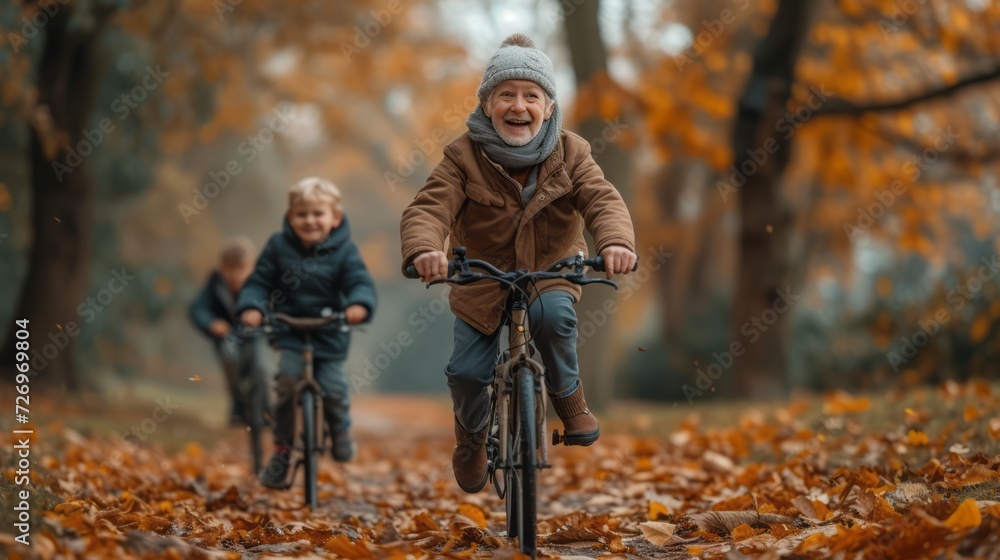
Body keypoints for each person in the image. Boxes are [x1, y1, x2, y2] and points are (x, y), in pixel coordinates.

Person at [399, 34, 637, 493]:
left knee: (553, 317)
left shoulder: (573, 152)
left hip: (551, 270)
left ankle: (568, 400)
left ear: (548, 108)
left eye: (532, 95)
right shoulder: (461, 155)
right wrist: (425, 250)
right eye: (505, 94)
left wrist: (615, 243)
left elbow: (603, 201)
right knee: (468, 373)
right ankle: (470, 439)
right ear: (488, 104)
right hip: (481, 278)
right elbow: (429, 208)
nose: (518, 105)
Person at [237, 177, 377, 488]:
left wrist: (358, 305)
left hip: (330, 330)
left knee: (334, 387)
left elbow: (359, 282)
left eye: (318, 214)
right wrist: (253, 307)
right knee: (286, 383)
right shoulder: (277, 246)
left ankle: (339, 430)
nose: (310, 220)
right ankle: (282, 451)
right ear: (290, 218)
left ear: (335, 218)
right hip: (289, 329)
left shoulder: (345, 250)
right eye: (302, 214)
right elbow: (259, 282)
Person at [189, 237, 267, 426]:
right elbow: (197, 308)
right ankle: (239, 404)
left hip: (259, 337)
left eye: (241, 269)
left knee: (264, 365)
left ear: (252, 267)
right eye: (229, 269)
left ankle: (267, 407)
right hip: (229, 337)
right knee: (228, 356)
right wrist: (211, 323)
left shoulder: (262, 282)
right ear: (221, 269)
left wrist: (263, 316)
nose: (235, 275)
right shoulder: (215, 284)